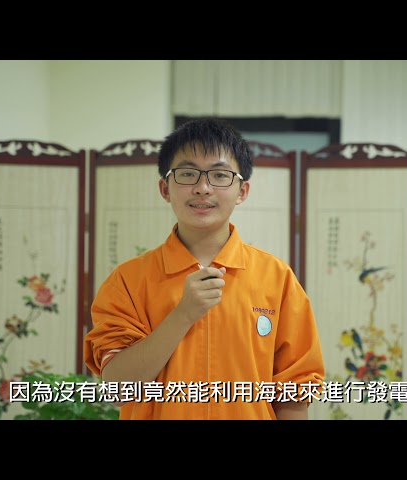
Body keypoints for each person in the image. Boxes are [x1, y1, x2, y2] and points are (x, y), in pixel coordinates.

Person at [84, 117, 325, 419]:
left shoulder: (277, 279)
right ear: (165, 189)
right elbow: (119, 389)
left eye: (220, 175)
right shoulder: (128, 281)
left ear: (242, 191)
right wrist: (183, 314)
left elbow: (294, 395)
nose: (202, 188)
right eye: (187, 174)